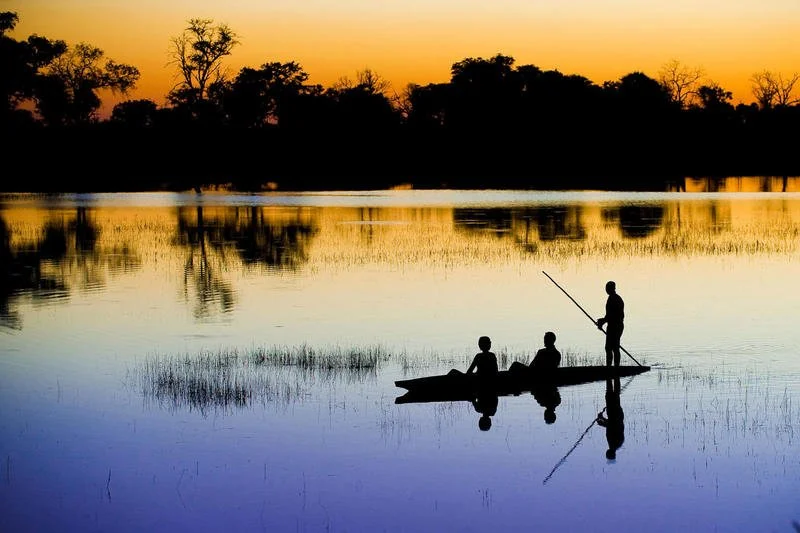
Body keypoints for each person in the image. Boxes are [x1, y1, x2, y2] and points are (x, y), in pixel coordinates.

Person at [596, 280, 624, 367]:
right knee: (610, 348)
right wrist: (602, 321)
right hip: (612, 326)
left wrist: (602, 321)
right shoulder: (612, 298)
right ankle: (611, 366)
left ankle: (614, 367)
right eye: (606, 288)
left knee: (612, 348)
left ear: (612, 288)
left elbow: (613, 315)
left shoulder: (615, 299)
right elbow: (609, 315)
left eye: (608, 288)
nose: (606, 290)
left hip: (616, 327)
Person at [596, 377, 624, 460]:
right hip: (614, 414)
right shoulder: (614, 443)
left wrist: (602, 421)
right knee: (610, 394)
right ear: (609, 453)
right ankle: (609, 376)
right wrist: (602, 419)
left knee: (615, 394)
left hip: (617, 414)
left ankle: (615, 375)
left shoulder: (617, 444)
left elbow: (612, 426)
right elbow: (613, 425)